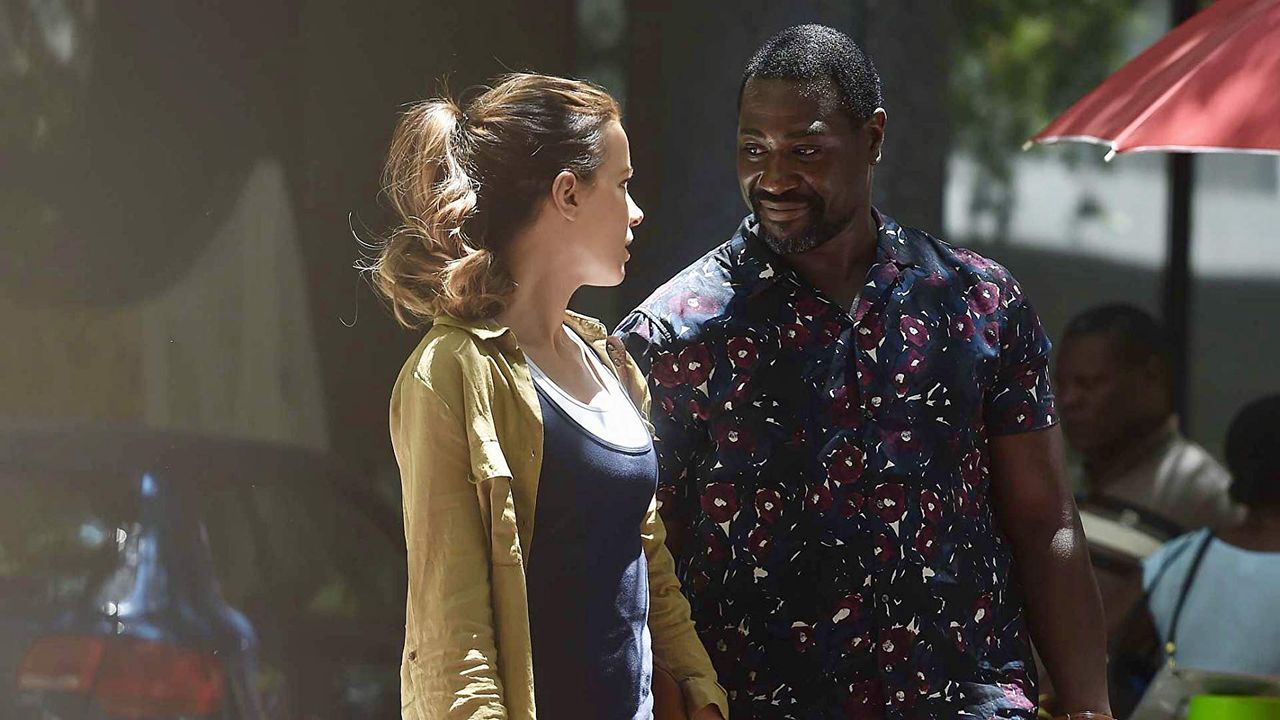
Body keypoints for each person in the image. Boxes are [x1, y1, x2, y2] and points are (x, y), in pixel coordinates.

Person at [616, 25, 1111, 719]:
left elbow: (1043, 518)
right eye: (754, 149)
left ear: (873, 138)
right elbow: (641, 559)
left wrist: (1089, 705)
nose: (774, 178)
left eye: (805, 150)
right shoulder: (673, 336)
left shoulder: (978, 303)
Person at [374, 73, 727, 720]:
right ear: (568, 193)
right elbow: (453, 634)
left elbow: (647, 559)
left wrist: (700, 691)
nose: (637, 211)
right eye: (621, 185)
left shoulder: (613, 364)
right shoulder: (453, 372)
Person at [1056, 304, 1241, 532]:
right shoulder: (1063, 484)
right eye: (1060, 384)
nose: (1067, 400)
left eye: (1089, 383)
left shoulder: (1204, 494)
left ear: (1151, 375)